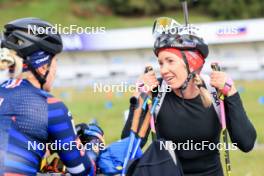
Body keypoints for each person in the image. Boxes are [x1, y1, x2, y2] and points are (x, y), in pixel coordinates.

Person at [122, 18, 257, 176]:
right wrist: (139, 99)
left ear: (192, 62)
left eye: (170, 61)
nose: (164, 70)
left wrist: (232, 93)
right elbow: (128, 150)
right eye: (161, 63)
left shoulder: (215, 90)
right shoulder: (156, 91)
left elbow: (246, 143)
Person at [0, 17, 104, 176]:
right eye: (55, 61)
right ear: (42, 67)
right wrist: (94, 144)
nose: (56, 69)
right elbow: (83, 171)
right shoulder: (50, 106)